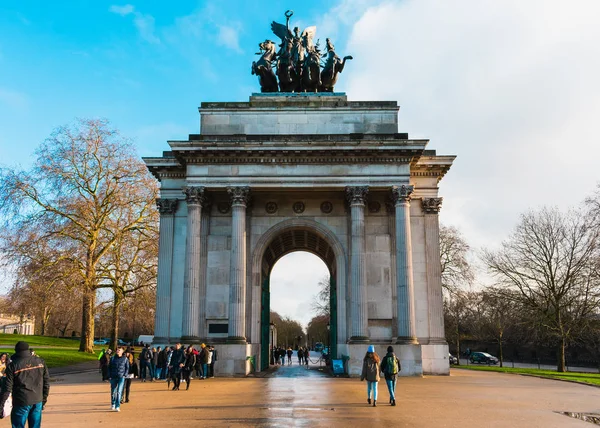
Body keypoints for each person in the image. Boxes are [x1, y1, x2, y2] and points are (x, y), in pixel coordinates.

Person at [0, 341, 49, 427]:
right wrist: (44, 399)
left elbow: (7, 388)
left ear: (16, 351)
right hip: (37, 400)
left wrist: (1, 405)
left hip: (21, 401)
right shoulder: (40, 362)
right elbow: (46, 383)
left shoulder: (12, 365)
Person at [108, 347, 129, 412]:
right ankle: (113, 404)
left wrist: (124, 375)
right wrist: (109, 376)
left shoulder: (125, 359)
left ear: (122, 351)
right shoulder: (112, 358)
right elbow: (109, 367)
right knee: (113, 392)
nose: (118, 351)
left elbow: (127, 367)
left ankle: (117, 406)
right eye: (117, 350)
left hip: (121, 377)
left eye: (119, 350)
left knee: (119, 392)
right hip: (113, 377)